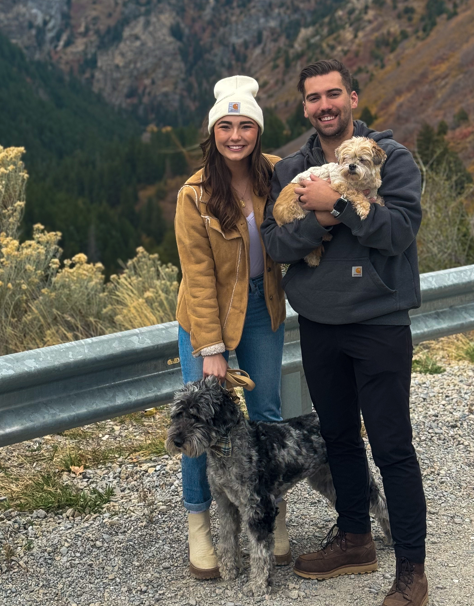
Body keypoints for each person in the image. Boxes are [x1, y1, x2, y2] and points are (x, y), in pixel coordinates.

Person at [260, 59, 428, 606]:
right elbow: (277, 245)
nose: (325, 105)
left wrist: (340, 207)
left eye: (334, 94)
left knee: (391, 445)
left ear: (353, 98)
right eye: (314, 98)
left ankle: (411, 572)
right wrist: (320, 221)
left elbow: (399, 232)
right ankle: (355, 539)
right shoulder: (292, 169)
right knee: (337, 438)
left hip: (378, 323)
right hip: (320, 325)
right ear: (305, 107)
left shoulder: (393, 159)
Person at [174, 75, 288, 580]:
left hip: (263, 308)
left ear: (257, 132)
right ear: (213, 132)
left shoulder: (280, 174)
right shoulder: (195, 193)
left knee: (265, 412)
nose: (236, 135)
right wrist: (211, 348)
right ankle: (201, 524)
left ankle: (270, 511)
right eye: (226, 126)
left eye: (245, 126)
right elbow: (197, 276)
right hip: (207, 318)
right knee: (201, 426)